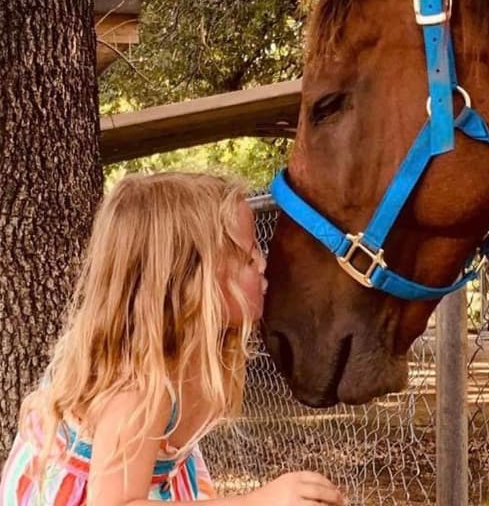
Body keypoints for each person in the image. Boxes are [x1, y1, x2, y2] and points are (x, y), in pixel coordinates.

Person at [2, 173, 345, 505]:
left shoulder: (197, 352)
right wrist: (257, 501)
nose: (263, 264)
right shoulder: (137, 387)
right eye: (246, 256)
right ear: (185, 283)